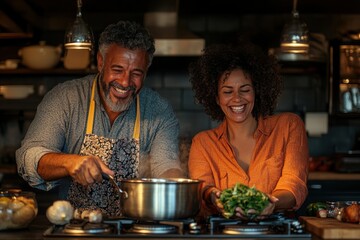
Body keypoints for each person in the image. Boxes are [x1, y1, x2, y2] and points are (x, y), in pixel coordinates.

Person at [16, 20, 184, 217]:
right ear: (101, 62)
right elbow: (28, 157)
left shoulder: (159, 111)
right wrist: (69, 163)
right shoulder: (65, 98)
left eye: (136, 73)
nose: (125, 82)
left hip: (135, 231)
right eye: (118, 69)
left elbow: (167, 167)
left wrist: (176, 185)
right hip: (74, 229)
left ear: (146, 72)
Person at [188, 41, 309, 219]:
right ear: (216, 98)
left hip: (276, 234)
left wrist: (269, 204)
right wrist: (214, 196)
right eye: (228, 92)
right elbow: (204, 188)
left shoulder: (289, 126)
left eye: (245, 90)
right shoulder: (203, 143)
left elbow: (294, 184)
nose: (237, 99)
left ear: (256, 91)